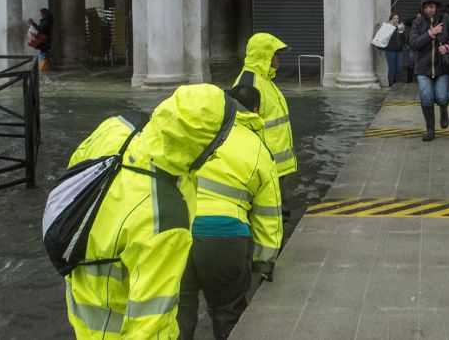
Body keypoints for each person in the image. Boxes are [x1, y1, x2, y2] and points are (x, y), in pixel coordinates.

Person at [64, 84, 238, 339]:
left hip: (79, 298)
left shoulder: (115, 129)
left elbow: (71, 180)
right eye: (218, 141)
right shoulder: (165, 217)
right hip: (115, 325)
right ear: (204, 145)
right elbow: (149, 322)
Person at [178, 85, 283, 340]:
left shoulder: (193, 133)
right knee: (227, 313)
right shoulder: (256, 147)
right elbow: (268, 213)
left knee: (178, 317)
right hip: (225, 239)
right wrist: (263, 261)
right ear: (256, 111)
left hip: (178, 235)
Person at [235, 33, 296, 176]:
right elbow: (241, 127)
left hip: (274, 165)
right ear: (265, 55)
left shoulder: (265, 79)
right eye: (277, 54)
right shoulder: (249, 83)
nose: (280, 58)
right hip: (263, 166)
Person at [409, 0, 449, 141]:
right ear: (422, 8)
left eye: (432, 6)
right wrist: (430, 33)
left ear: (437, 6)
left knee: (441, 96)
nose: (429, 10)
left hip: (443, 68)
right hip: (423, 69)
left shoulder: (446, 19)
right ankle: (430, 130)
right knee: (426, 98)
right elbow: (413, 44)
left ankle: (444, 109)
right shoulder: (417, 23)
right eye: (426, 7)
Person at [383, 13, 407, 86]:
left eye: (397, 18)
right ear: (391, 19)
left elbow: (403, 38)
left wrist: (402, 44)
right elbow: (383, 37)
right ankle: (391, 83)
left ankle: (396, 82)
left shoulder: (401, 27)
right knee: (392, 67)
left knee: (399, 67)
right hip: (390, 50)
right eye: (394, 18)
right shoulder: (388, 27)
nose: (396, 20)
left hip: (399, 50)